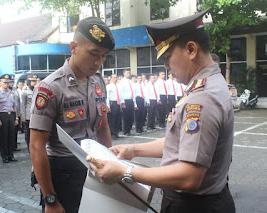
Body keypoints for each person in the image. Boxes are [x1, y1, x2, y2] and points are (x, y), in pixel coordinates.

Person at [89, 9, 235, 213]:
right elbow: (183, 143)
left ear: (191, 50)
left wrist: (125, 171)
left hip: (194, 207)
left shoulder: (202, 97)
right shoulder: (208, 84)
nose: (166, 66)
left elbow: (189, 177)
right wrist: (133, 150)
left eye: (167, 56)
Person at [29, 16, 114, 213]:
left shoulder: (98, 82)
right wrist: (50, 199)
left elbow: (103, 127)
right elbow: (36, 145)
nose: (98, 62)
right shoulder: (50, 88)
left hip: (92, 169)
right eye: (93, 54)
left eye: (104, 56)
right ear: (73, 47)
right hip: (62, 174)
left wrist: (112, 166)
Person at [0, 74, 19, 163]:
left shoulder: (12, 93)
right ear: (0, 83)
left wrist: (16, 118)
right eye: (4, 83)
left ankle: (11, 155)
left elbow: (14, 106)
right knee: (3, 136)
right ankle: (4, 156)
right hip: (2, 115)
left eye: (7, 83)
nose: (6, 84)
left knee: (11, 136)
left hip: (11, 115)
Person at [21, 74, 37, 151]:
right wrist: (23, 116)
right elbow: (23, 105)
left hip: (35, 115)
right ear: (28, 82)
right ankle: (29, 148)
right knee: (28, 134)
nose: (34, 82)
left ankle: (34, 147)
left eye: (35, 81)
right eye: (32, 81)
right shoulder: (25, 92)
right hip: (28, 115)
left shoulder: (37, 90)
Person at [119, 70, 137, 136]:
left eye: (129, 73)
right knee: (126, 117)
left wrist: (134, 102)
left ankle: (129, 130)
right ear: (124, 73)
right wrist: (123, 102)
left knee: (131, 117)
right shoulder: (122, 82)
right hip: (125, 101)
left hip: (131, 100)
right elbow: (121, 92)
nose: (128, 74)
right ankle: (125, 131)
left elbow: (133, 92)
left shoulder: (130, 82)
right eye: (127, 73)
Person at [106, 74, 121, 140]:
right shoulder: (108, 86)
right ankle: (112, 133)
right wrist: (108, 106)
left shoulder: (118, 86)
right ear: (111, 78)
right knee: (112, 119)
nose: (115, 79)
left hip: (117, 103)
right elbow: (107, 97)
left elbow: (120, 95)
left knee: (118, 119)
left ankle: (116, 132)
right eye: (114, 78)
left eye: (116, 78)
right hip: (112, 103)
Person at [9, 74, 21, 151]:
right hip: (9, 112)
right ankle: (10, 147)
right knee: (9, 132)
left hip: (16, 112)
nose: (12, 83)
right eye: (10, 82)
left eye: (13, 82)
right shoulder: (4, 91)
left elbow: (18, 102)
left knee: (15, 131)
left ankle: (14, 145)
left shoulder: (15, 90)